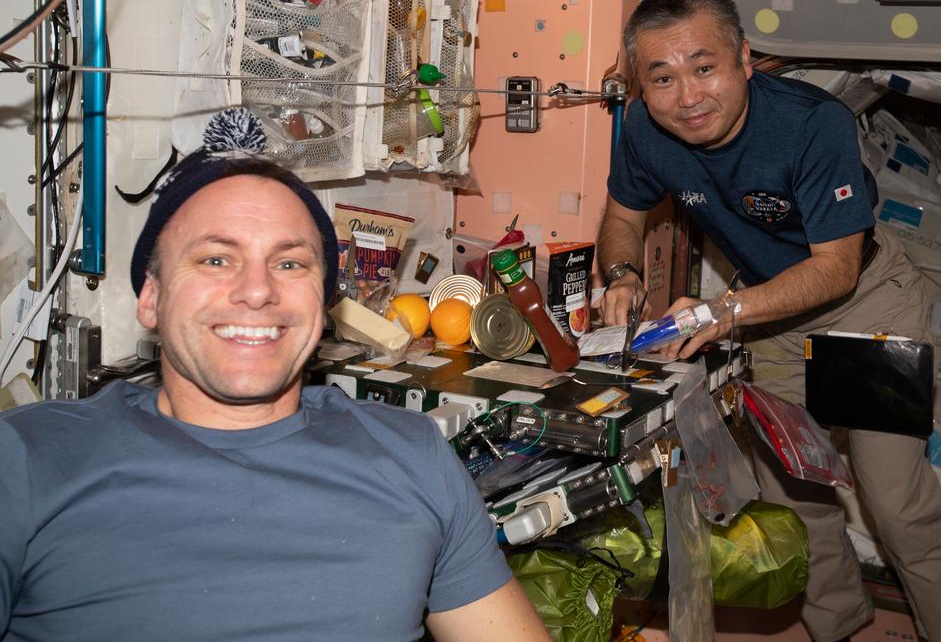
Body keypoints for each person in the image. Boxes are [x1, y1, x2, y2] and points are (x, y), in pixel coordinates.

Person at [0, 109, 549, 642]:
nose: (258, 290)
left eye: (290, 264)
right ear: (152, 297)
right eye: (216, 259)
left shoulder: (413, 455)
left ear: (323, 300)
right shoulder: (28, 461)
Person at [597, 0, 941, 642]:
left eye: (705, 67)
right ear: (641, 84)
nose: (688, 96)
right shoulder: (643, 128)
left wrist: (723, 311)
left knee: (895, 502)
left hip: (866, 301)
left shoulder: (813, 124)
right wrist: (622, 273)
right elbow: (621, 216)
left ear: (745, 59)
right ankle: (839, 625)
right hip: (770, 314)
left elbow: (835, 267)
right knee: (794, 493)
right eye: (661, 77)